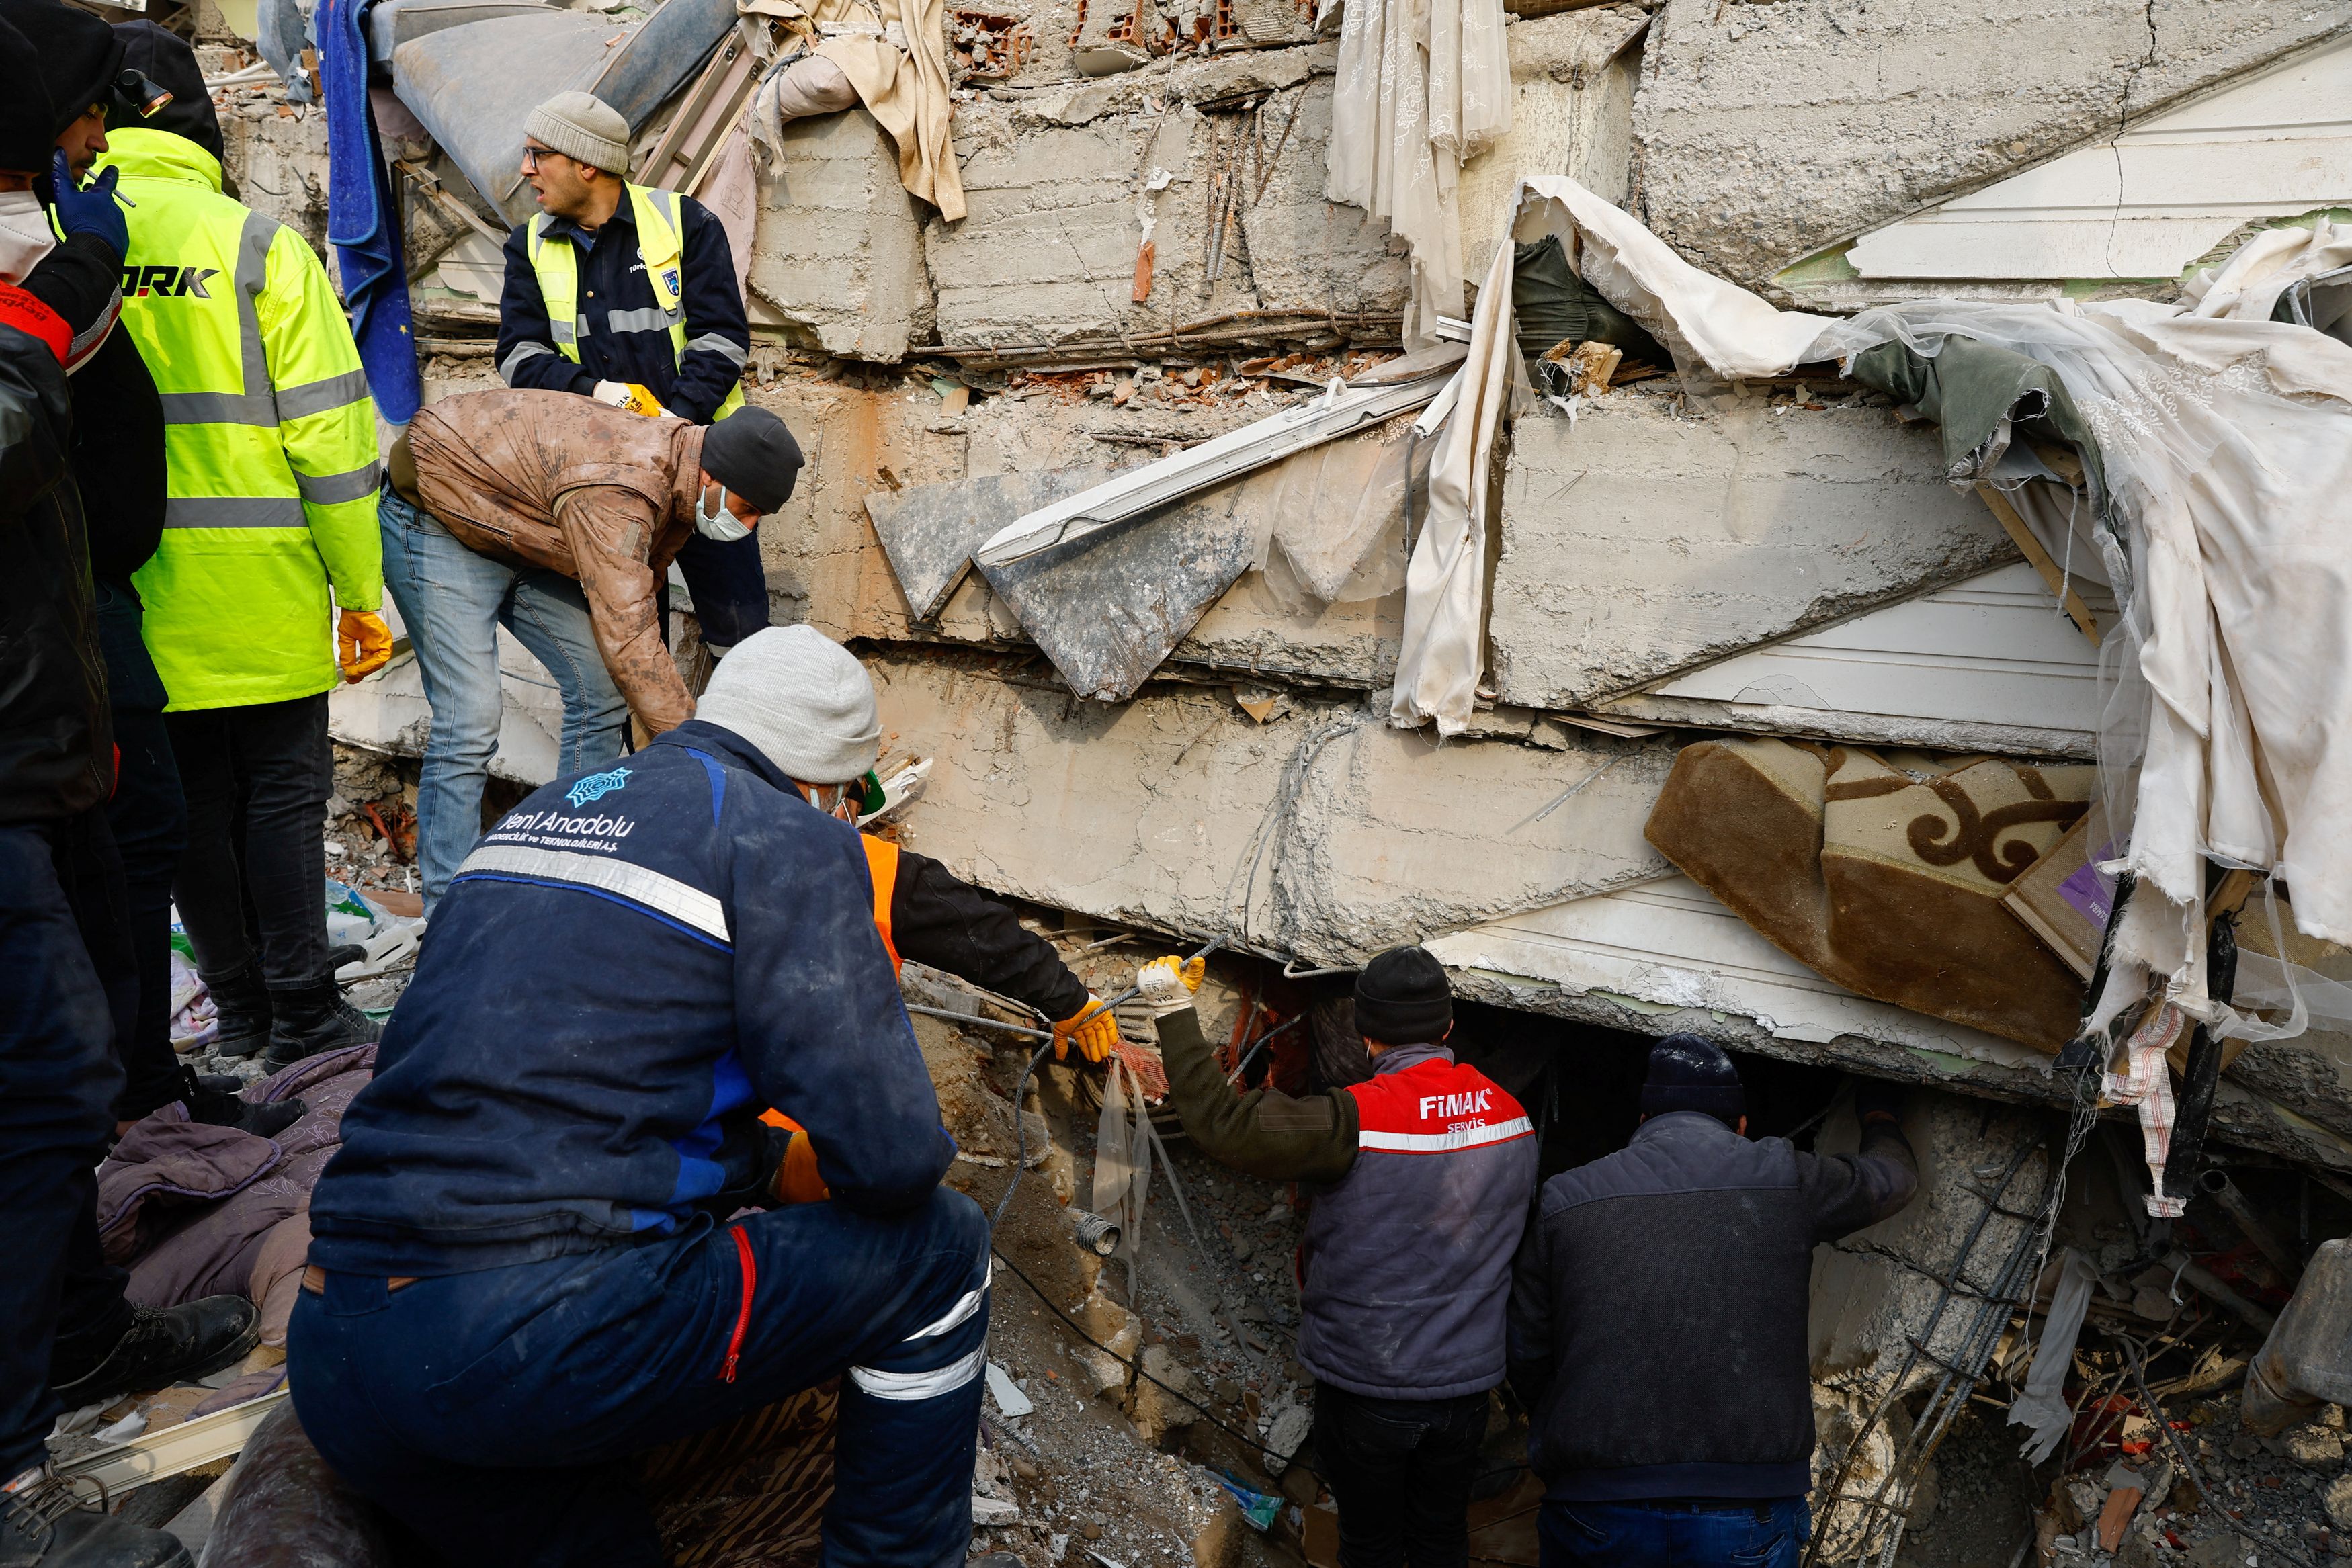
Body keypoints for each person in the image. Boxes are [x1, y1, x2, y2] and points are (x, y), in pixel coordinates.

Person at [294, 627, 991, 1568]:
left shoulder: (538, 818)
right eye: (855, 795)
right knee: (941, 1248)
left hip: (339, 1353)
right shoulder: (788, 837)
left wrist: (750, 1158)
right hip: (529, 1341)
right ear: (829, 781)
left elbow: (568, 1078)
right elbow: (896, 1156)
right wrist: (790, 1163)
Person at [0, 19, 258, 1561]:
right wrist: (54, 302)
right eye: (68, 129)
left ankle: (83, 1331)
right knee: (41, 1072)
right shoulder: (54, 272)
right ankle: (13, 1457)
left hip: (45, 725)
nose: (90, 153)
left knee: (75, 1055)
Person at [97, 56, 393, 1070]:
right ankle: (304, 1013)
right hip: (260, 589)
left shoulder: (61, 244)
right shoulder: (256, 245)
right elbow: (335, 444)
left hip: (129, 602)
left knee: (185, 812)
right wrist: (361, 594)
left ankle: (241, 1016)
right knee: (277, 800)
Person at [1146, 945, 1538, 1568]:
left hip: (1369, 1390)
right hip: (1466, 1393)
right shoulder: (1512, 1119)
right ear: (1449, 1027)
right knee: (1440, 1539)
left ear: (1364, 1035)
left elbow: (1222, 1125)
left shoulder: (1354, 1120)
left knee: (1370, 1543)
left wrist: (1171, 1008)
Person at [1506, 1037, 1919, 1568]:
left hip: (1598, 1504)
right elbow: (1896, 1180)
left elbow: (1526, 1347)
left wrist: (1579, 1431)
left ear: (1642, 1119)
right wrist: (1880, 1112)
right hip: (1746, 1507)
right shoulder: (1787, 1179)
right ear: (1741, 1125)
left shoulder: (1567, 1197)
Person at [689, 626, 1123, 1092]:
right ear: (819, 782)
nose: (851, 819)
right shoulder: (863, 869)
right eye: (853, 796)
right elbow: (977, 932)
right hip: (759, 1135)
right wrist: (1073, 1004)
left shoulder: (622, 805)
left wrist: (1068, 1000)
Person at [390, 388, 800, 782]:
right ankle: (452, 858)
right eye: (746, 509)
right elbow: (628, 633)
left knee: (602, 693)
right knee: (470, 722)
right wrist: (697, 753)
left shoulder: (681, 474)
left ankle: (573, 836)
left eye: (759, 517)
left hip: (522, 526)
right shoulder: (622, 488)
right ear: (712, 476)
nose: (748, 528)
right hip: (437, 504)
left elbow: (641, 588)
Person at [493, 89, 767, 654]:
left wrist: (673, 420)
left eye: (536, 153)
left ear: (585, 164)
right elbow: (519, 355)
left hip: (702, 465)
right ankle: (648, 745)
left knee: (741, 638)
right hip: (604, 476)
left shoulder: (683, 223)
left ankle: (746, 733)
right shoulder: (528, 247)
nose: (526, 169)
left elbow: (722, 338)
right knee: (631, 646)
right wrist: (598, 392)